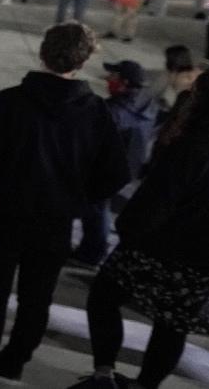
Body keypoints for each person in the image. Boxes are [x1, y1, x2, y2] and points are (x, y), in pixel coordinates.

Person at [0, 23, 131, 380]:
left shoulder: (10, 102)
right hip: (54, 220)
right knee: (36, 298)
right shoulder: (96, 113)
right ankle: (14, 361)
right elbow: (117, 175)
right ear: (85, 59)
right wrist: (78, 198)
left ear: (43, 53)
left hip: (4, 212)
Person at [70, 60, 209, 389]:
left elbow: (156, 201)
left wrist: (129, 232)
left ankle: (104, 374)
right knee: (172, 326)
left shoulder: (195, 144)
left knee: (104, 297)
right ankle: (145, 385)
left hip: (165, 248)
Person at [71, 60, 158, 270]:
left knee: (96, 209)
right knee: (100, 208)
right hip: (129, 166)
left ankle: (91, 253)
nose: (108, 80)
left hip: (105, 169)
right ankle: (93, 250)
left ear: (125, 83)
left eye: (114, 77)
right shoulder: (148, 104)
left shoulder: (112, 111)